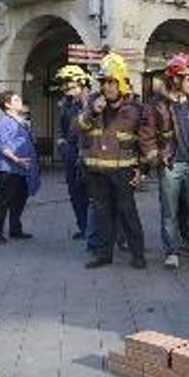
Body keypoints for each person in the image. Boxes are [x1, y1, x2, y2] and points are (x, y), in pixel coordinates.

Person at [76, 52, 150, 269]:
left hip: (123, 171)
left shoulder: (136, 108)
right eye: (103, 82)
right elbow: (76, 129)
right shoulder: (92, 104)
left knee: (128, 213)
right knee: (102, 214)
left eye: (111, 82)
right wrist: (91, 112)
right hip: (96, 170)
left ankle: (138, 255)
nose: (107, 87)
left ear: (122, 83)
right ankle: (103, 255)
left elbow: (146, 141)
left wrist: (142, 169)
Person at [142, 54, 189, 269]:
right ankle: (172, 250)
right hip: (171, 165)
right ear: (174, 79)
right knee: (169, 211)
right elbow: (147, 136)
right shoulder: (157, 105)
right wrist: (156, 157)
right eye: (188, 78)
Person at [0, 91, 38, 243]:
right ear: (7, 105)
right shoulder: (5, 122)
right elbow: (3, 146)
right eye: (16, 100)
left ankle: (15, 230)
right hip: (9, 168)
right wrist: (17, 159)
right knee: (3, 200)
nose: (20, 101)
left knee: (19, 200)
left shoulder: (21, 120)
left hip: (23, 168)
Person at [55, 65, 91, 239]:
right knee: (75, 193)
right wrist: (62, 144)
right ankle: (84, 228)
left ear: (82, 84)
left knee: (93, 194)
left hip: (89, 153)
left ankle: (97, 230)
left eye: (71, 87)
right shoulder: (66, 104)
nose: (67, 90)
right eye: (65, 87)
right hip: (71, 152)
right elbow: (62, 128)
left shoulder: (91, 102)